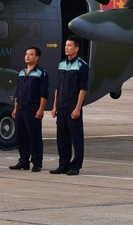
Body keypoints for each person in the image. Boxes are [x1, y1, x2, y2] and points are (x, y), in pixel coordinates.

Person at [50, 36, 89, 176]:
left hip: (73, 106)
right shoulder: (61, 64)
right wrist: (55, 106)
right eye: (66, 45)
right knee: (62, 137)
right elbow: (58, 87)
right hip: (61, 105)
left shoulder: (82, 65)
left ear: (76, 48)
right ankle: (63, 164)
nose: (66, 47)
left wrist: (78, 108)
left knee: (76, 137)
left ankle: (75, 166)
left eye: (70, 45)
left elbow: (83, 89)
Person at [9, 47, 49, 172]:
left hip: (32, 108)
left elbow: (44, 93)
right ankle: (23, 161)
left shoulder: (41, 73)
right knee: (21, 136)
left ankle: (37, 163)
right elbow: (17, 92)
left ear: (37, 57)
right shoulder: (21, 72)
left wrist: (41, 109)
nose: (27, 56)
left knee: (34, 136)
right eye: (26, 54)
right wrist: (15, 108)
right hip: (21, 108)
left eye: (31, 54)